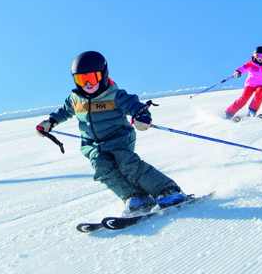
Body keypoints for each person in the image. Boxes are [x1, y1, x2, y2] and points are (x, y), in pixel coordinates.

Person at [36, 51, 185, 215]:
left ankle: (168, 191)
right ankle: (136, 196)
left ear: (103, 75)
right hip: (92, 144)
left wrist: (141, 115)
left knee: (128, 164)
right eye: (81, 79)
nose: (87, 84)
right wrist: (49, 123)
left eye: (92, 78)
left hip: (118, 138)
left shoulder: (114, 95)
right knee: (103, 169)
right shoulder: (75, 99)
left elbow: (133, 104)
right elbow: (63, 112)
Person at [224, 46, 262, 119]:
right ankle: (229, 113)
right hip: (250, 84)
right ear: (254, 56)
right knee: (244, 99)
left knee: (259, 94)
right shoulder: (251, 63)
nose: (260, 58)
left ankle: (252, 111)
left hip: (261, 84)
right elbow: (242, 68)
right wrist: (238, 72)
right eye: (258, 56)